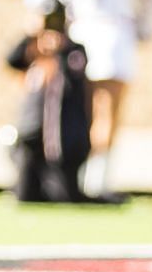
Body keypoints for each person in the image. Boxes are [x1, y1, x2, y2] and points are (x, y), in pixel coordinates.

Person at [21, 0, 152, 202]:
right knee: (107, 114)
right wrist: (144, 20)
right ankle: (95, 182)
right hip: (113, 37)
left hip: (82, 42)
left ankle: (80, 180)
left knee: (83, 114)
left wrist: (56, 25)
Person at [5, 16, 91, 203]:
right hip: (32, 134)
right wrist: (29, 35)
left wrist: (59, 50)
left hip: (61, 140)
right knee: (26, 196)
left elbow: (73, 76)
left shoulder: (72, 54)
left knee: (63, 196)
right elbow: (11, 60)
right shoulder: (34, 55)